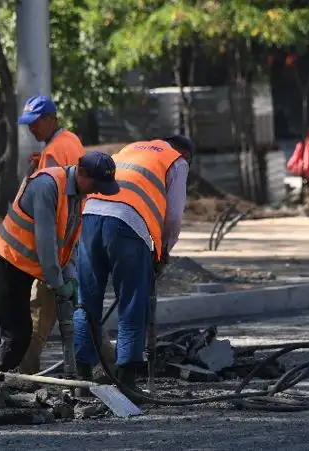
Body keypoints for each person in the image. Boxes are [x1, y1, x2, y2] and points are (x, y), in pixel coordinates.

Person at [73, 136, 194, 394]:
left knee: (86, 301)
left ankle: (81, 380)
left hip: (91, 216)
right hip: (127, 223)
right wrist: (163, 252)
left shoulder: (130, 148)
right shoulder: (177, 161)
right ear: (185, 154)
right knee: (132, 302)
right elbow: (173, 217)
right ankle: (127, 382)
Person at [0, 151, 120, 372]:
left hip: (30, 264)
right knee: (17, 333)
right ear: (82, 172)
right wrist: (58, 284)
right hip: (9, 259)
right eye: (96, 185)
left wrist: (71, 278)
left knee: (24, 331)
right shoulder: (47, 186)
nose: (97, 191)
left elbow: (68, 241)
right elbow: (46, 243)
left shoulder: (78, 195)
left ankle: (12, 379)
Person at [13, 95, 94, 375]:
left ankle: (24, 372)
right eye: (28, 124)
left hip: (58, 244)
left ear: (51, 119)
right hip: (73, 236)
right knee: (80, 310)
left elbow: (46, 206)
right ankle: (106, 366)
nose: (31, 129)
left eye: (35, 123)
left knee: (40, 313)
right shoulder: (71, 141)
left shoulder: (53, 152)